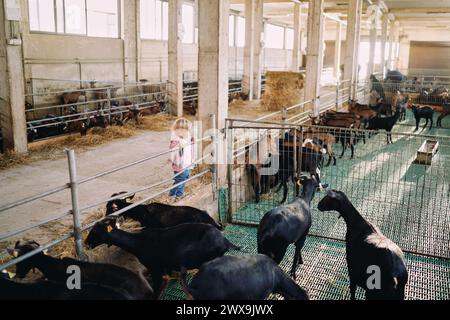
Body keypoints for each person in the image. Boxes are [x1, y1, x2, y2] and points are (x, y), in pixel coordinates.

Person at [169, 118, 195, 200]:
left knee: (183, 178)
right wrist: (179, 144)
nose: (188, 132)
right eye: (187, 130)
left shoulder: (184, 138)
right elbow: (172, 148)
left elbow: (188, 145)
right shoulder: (176, 140)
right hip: (180, 165)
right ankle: (179, 196)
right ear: (178, 130)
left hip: (186, 163)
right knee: (181, 180)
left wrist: (191, 140)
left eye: (188, 130)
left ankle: (171, 194)